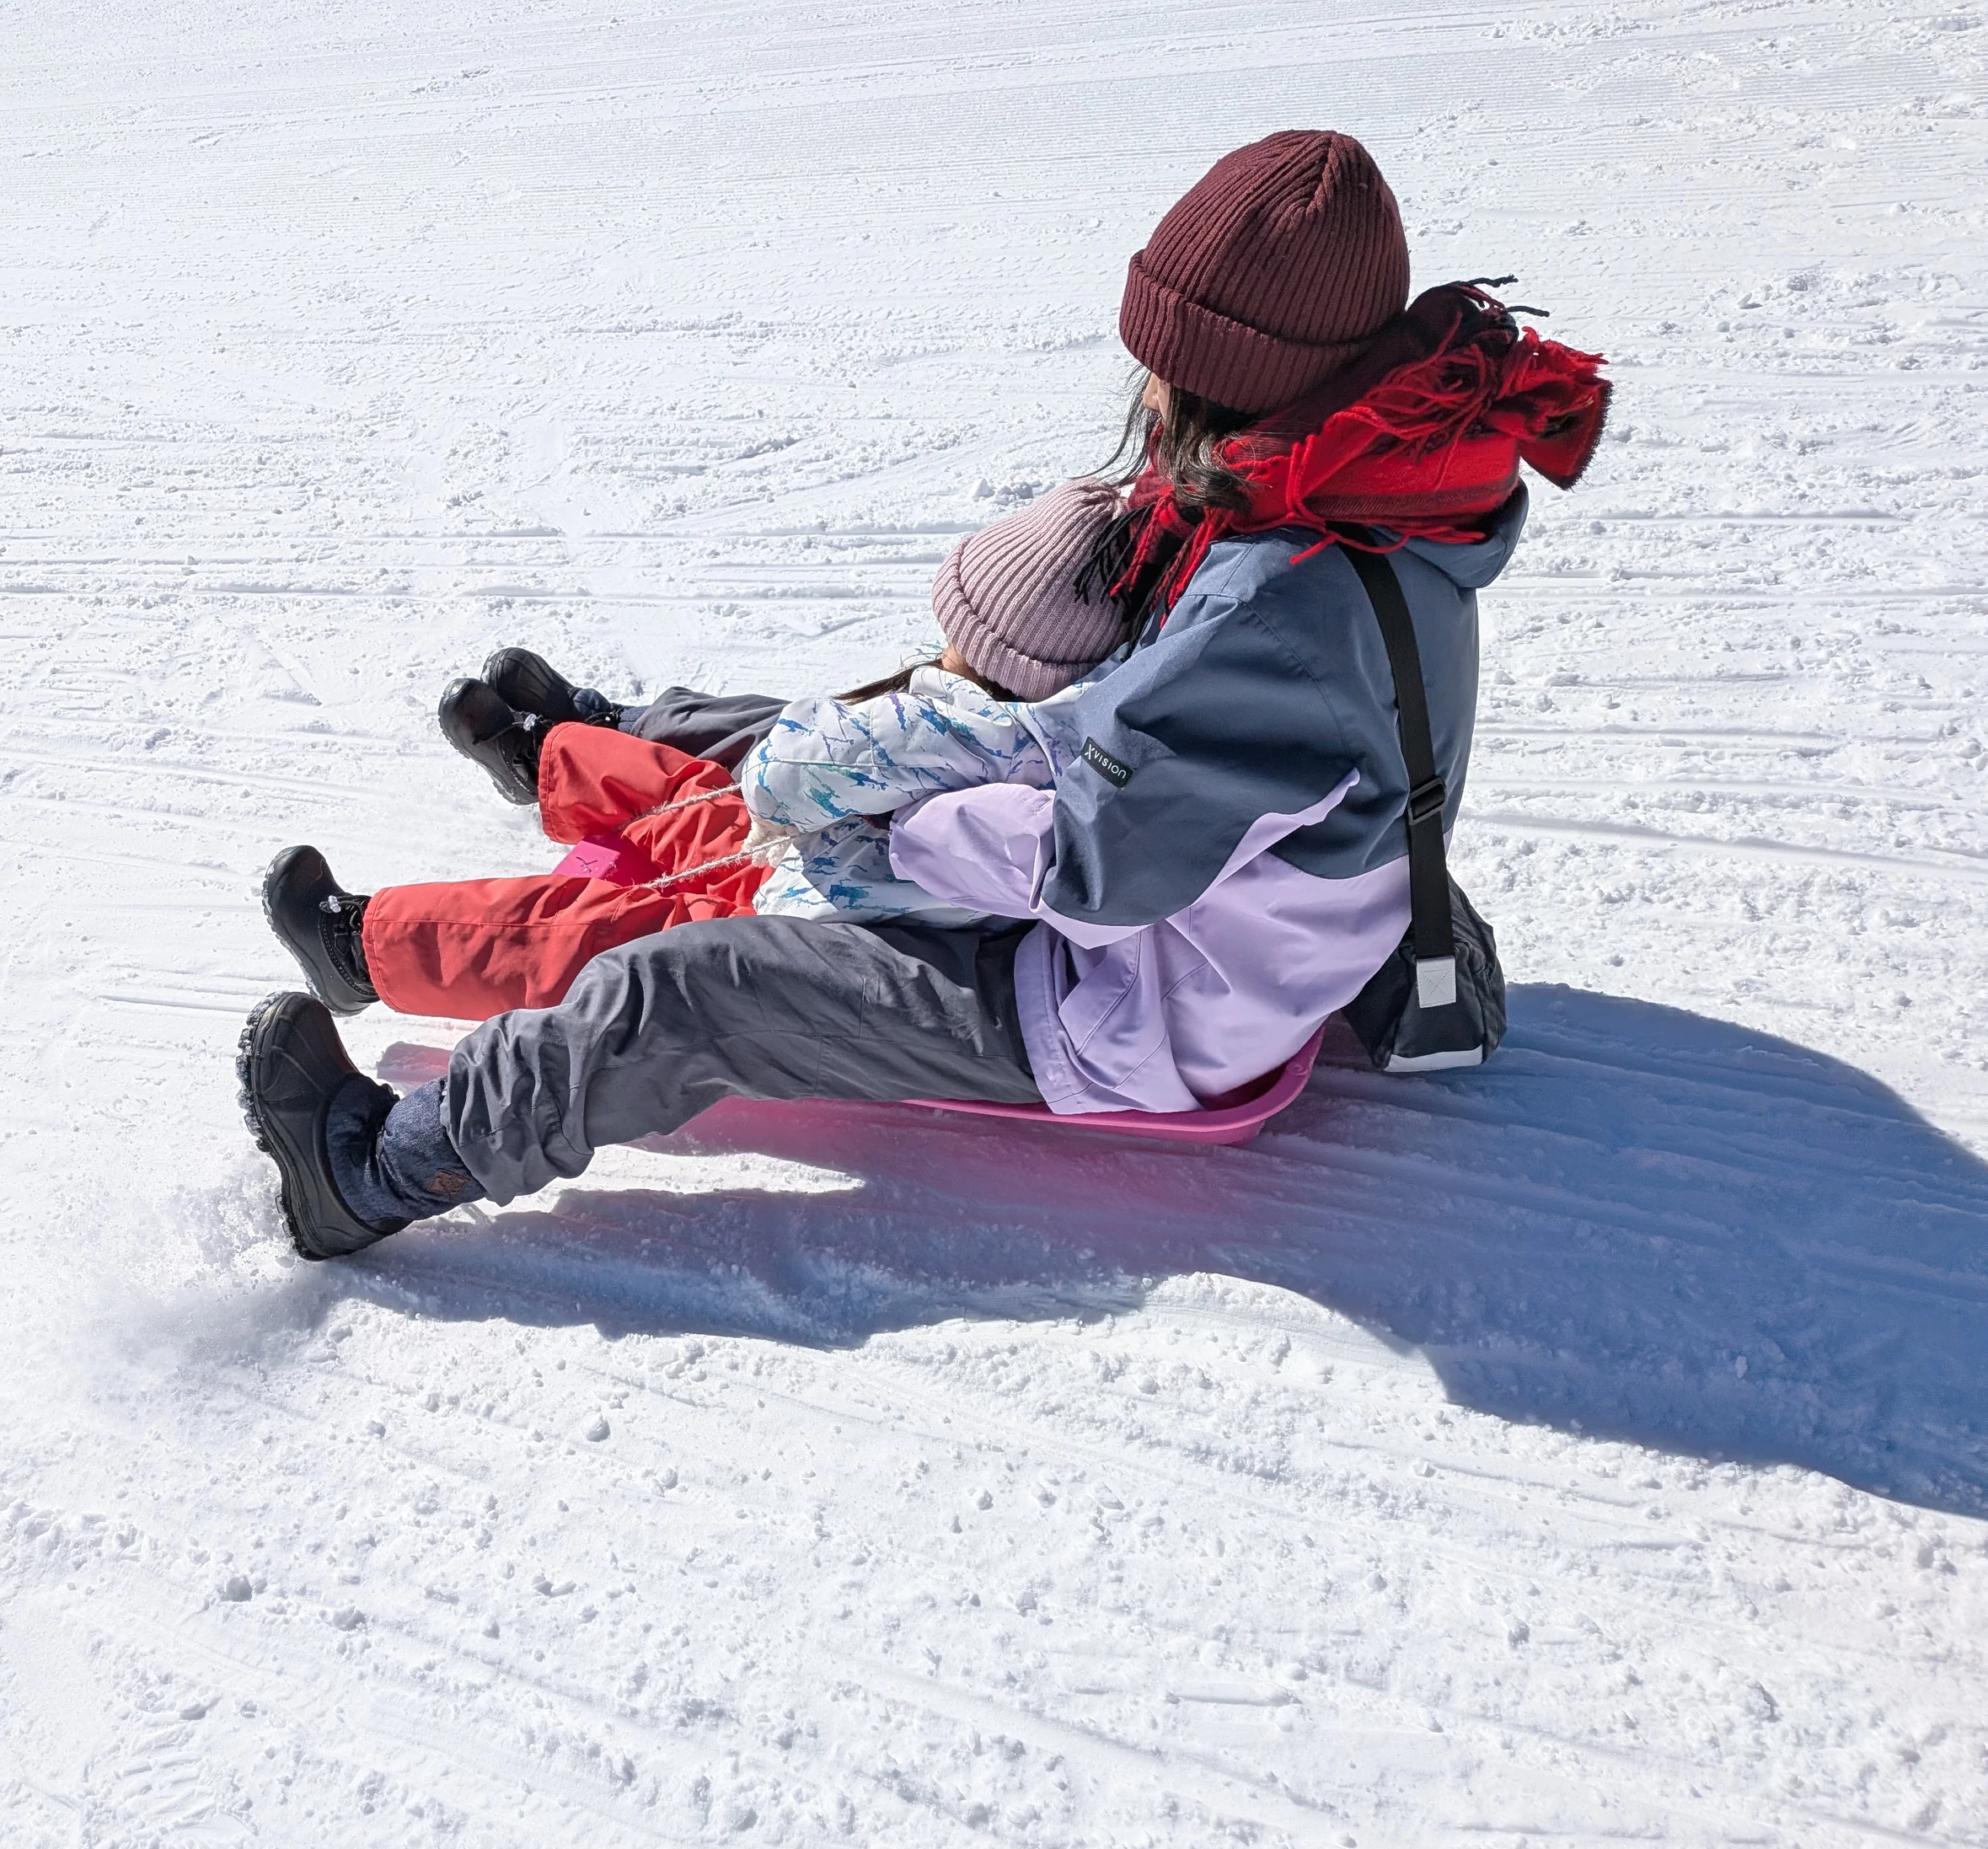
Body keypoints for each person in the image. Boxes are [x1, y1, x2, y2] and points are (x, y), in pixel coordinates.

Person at [235, 128, 1612, 1261]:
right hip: (1196, 912)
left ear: (1249, 375)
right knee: (839, 732)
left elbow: (1098, 870)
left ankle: (377, 1169)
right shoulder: (1391, 496)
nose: (1151, 386)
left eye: (1176, 362)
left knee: (688, 985)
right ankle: (579, 744)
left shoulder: (1283, 600)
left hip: (1112, 1004)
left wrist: (888, 837)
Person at [260, 478, 1129, 1023]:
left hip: (797, 924)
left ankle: (365, 952)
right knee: (693, 792)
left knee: (598, 934)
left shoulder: (957, 731)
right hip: (820, 865)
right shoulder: (1045, 727)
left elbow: (786, 774)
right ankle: (548, 758)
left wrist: (873, 712)